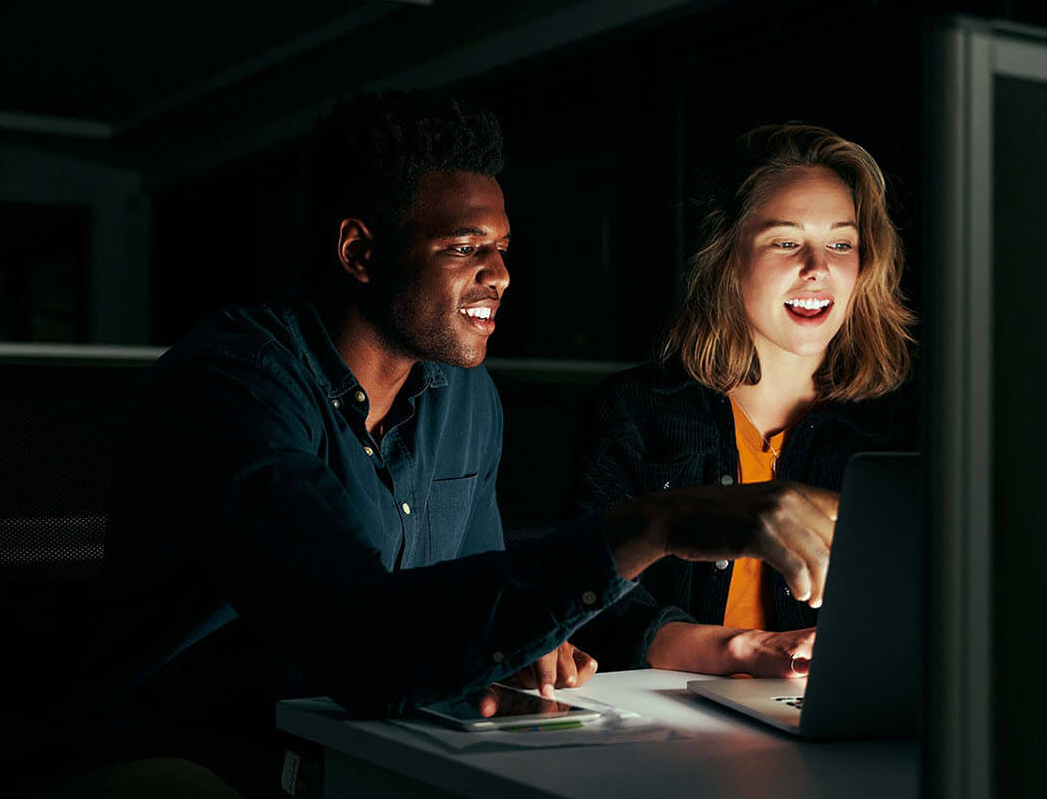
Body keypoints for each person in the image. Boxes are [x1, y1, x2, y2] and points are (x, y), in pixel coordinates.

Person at [68, 95, 844, 797]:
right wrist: (657, 523)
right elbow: (358, 639)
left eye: (503, 247)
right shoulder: (235, 386)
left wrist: (514, 646)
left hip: (365, 735)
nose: (500, 274)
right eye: (464, 248)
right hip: (192, 748)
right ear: (360, 254)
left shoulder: (463, 394)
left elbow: (456, 597)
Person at [573, 123, 917, 680]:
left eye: (841, 243)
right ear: (728, 256)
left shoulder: (903, 429)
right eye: (786, 241)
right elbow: (581, 597)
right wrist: (742, 648)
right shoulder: (633, 411)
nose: (818, 267)